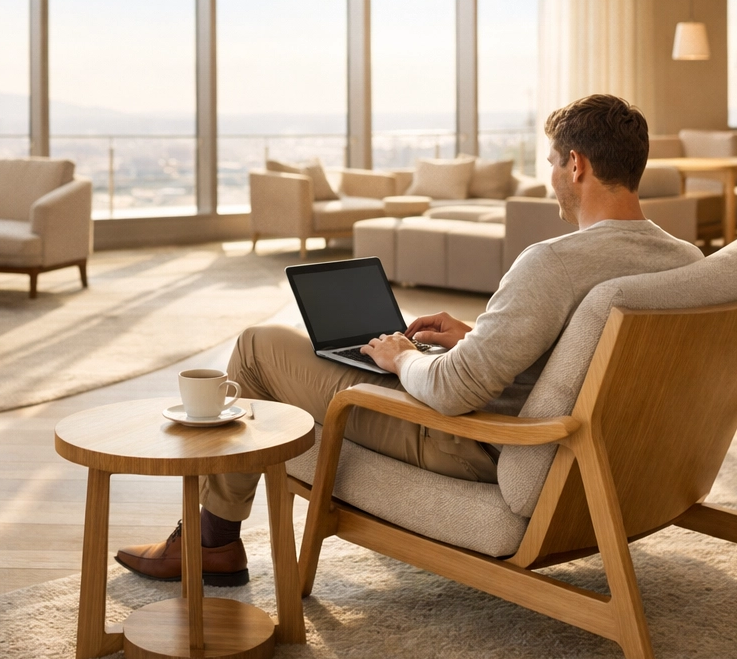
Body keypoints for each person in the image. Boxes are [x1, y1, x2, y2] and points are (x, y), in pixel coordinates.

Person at [116, 94, 704, 585]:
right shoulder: (684, 261)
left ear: (575, 165)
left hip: (473, 440)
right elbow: (588, 356)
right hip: (607, 459)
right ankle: (212, 538)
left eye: (551, 162)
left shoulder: (551, 262)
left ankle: (210, 541)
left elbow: (449, 392)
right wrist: (478, 337)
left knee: (256, 347)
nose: (550, 177)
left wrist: (403, 358)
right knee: (322, 350)